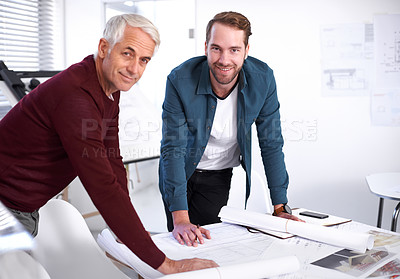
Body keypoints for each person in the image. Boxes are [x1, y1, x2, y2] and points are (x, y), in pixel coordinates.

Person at [0, 14, 217, 274]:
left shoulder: (108, 91)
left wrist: (128, 235)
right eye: (128, 53)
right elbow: (102, 185)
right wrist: (165, 264)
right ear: (104, 48)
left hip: (22, 207)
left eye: (144, 60)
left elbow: (113, 164)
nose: (134, 69)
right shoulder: (75, 97)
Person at [159, 11, 301, 247]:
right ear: (205, 47)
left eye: (234, 50)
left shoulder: (263, 79)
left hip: (218, 174)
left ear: (246, 50)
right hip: (178, 171)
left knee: (207, 243)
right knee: (182, 241)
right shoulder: (179, 80)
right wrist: (180, 219)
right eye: (216, 49)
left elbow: (271, 142)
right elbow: (173, 148)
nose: (224, 59)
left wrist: (280, 207)